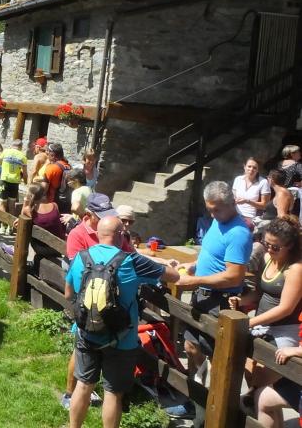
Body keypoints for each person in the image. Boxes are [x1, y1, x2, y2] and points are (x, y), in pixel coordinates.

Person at [65, 215, 179, 428]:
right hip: (122, 339)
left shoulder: (81, 257)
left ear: (98, 234)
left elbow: (68, 293)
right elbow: (173, 276)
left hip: (87, 334)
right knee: (113, 393)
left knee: (83, 385)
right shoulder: (132, 261)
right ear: (120, 235)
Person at [176, 181, 253, 375]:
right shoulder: (219, 221)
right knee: (190, 346)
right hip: (204, 295)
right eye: (210, 209)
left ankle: (209, 396)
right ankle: (198, 390)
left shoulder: (238, 234)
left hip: (220, 303)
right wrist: (194, 265)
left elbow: (234, 277)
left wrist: (194, 281)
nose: (212, 215)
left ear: (232, 203)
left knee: (216, 354)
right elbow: (212, 252)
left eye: (216, 210)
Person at [230, 217, 302, 388]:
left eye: (275, 247)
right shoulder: (266, 258)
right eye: (265, 243)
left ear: (289, 246)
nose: (269, 249)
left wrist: (249, 322)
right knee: (247, 371)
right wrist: (242, 300)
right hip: (260, 325)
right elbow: (259, 293)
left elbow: (285, 308)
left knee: (260, 381)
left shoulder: (295, 269)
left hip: (282, 330)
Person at [233, 157, 271, 222]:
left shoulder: (263, 182)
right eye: (249, 166)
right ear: (244, 167)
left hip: (249, 218)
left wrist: (247, 201)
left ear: (258, 170)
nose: (251, 169)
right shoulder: (238, 179)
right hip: (234, 214)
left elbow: (264, 206)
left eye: (254, 167)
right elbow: (233, 198)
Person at [0, 139, 28, 214]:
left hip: (4, 180)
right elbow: (25, 173)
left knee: (2, 204)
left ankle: (3, 224)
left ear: (12, 145)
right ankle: (10, 225)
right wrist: (25, 181)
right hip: (15, 183)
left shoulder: (6, 152)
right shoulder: (23, 156)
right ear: (21, 147)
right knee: (12, 205)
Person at [41, 142, 71, 206]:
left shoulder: (51, 168)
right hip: (67, 201)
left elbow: (44, 188)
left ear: (53, 155)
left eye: (48, 153)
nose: (47, 154)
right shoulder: (69, 167)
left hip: (52, 202)